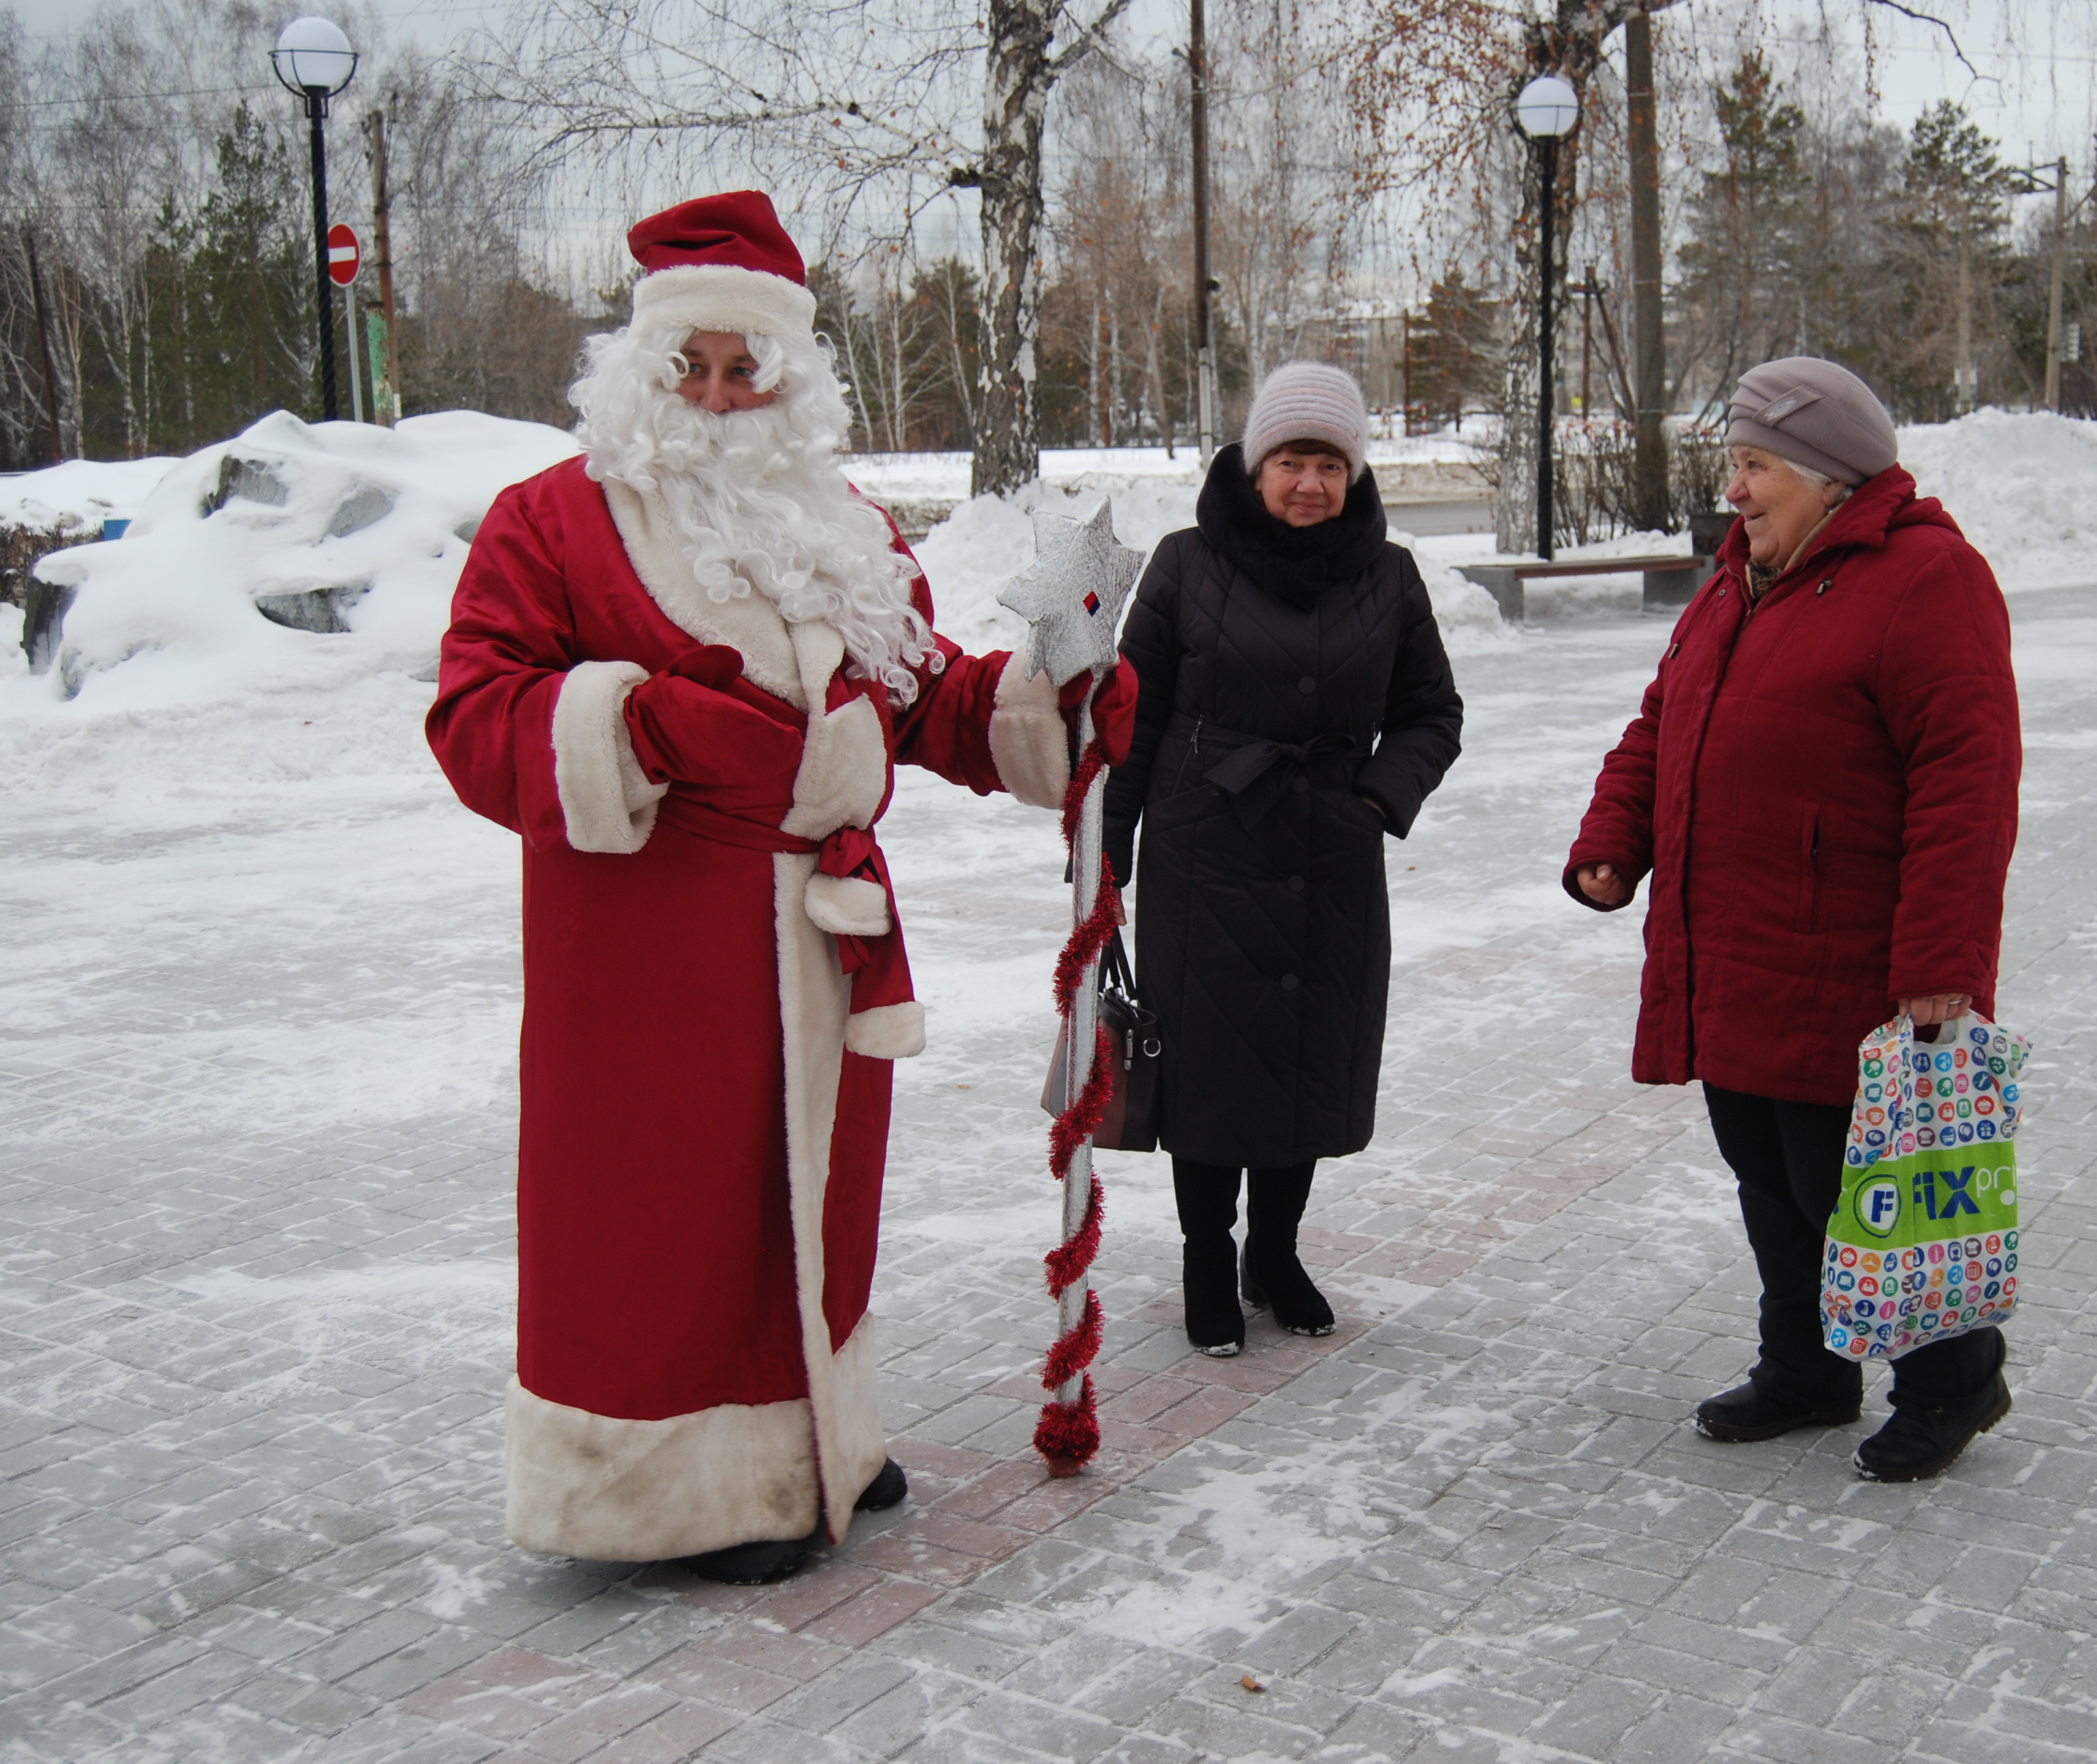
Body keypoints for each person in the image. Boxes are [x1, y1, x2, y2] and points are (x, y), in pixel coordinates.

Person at [427, 191, 1129, 1584]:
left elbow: (924, 697)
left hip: (819, 935)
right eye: (688, 365)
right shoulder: (553, 523)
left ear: (794, 380)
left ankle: (816, 1444)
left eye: (745, 367)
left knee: (815, 1201)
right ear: (637, 372)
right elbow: (473, 715)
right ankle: (673, 1494)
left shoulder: (841, 524)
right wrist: (636, 726)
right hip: (649, 956)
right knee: (664, 1217)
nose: (715, 391)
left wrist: (1057, 708)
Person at [1563, 356, 2021, 1483]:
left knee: (1864, 1184)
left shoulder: (1928, 580)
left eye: (1755, 466)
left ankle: (1954, 1382)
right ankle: (1810, 1368)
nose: (1738, 491)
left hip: (1851, 962)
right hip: (1735, 947)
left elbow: (1971, 782)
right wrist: (1613, 839)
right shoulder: (1740, 580)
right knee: (1768, 1178)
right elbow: (1663, 723)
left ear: (1826, 476)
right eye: (1737, 466)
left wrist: (1941, 962)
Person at [1105, 362, 1463, 1356]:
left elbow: (1433, 712)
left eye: (1331, 464)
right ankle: (1207, 1257)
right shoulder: (1185, 563)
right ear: (1257, 464)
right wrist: (1109, 852)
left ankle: (1276, 1250)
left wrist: (1378, 798)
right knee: (1213, 1072)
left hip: (1330, 861)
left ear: (1353, 472)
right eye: (1293, 461)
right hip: (1205, 854)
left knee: (1305, 1069)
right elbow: (1132, 720)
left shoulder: (1388, 575)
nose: (1311, 483)